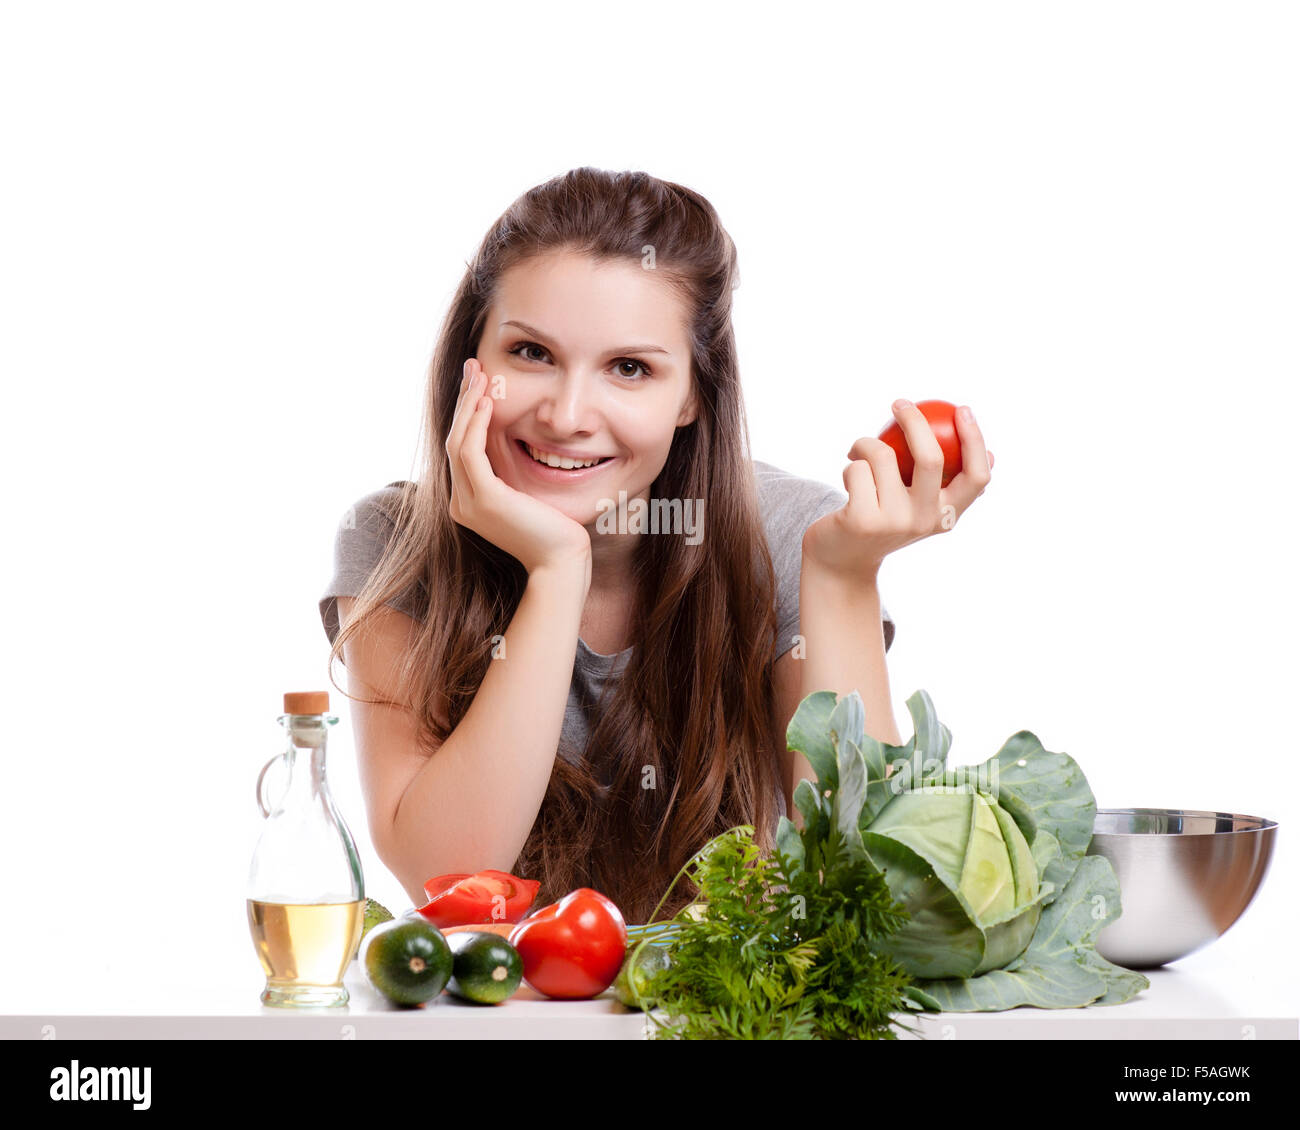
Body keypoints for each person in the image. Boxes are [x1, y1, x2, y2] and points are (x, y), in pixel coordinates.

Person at [318, 167, 993, 923]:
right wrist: (556, 567)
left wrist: (839, 578)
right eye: (531, 353)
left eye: (630, 368)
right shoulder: (393, 543)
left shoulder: (785, 533)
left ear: (692, 395)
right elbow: (450, 879)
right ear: (471, 359)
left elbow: (866, 887)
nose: (568, 414)